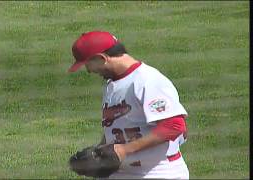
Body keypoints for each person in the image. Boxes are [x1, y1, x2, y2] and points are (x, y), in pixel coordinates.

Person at [68, 31, 189, 179]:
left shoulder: (147, 80)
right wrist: (99, 151)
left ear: (101, 58)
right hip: (124, 172)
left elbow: (174, 126)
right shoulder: (113, 83)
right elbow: (117, 124)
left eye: (88, 64)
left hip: (157, 172)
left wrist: (124, 150)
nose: (88, 71)